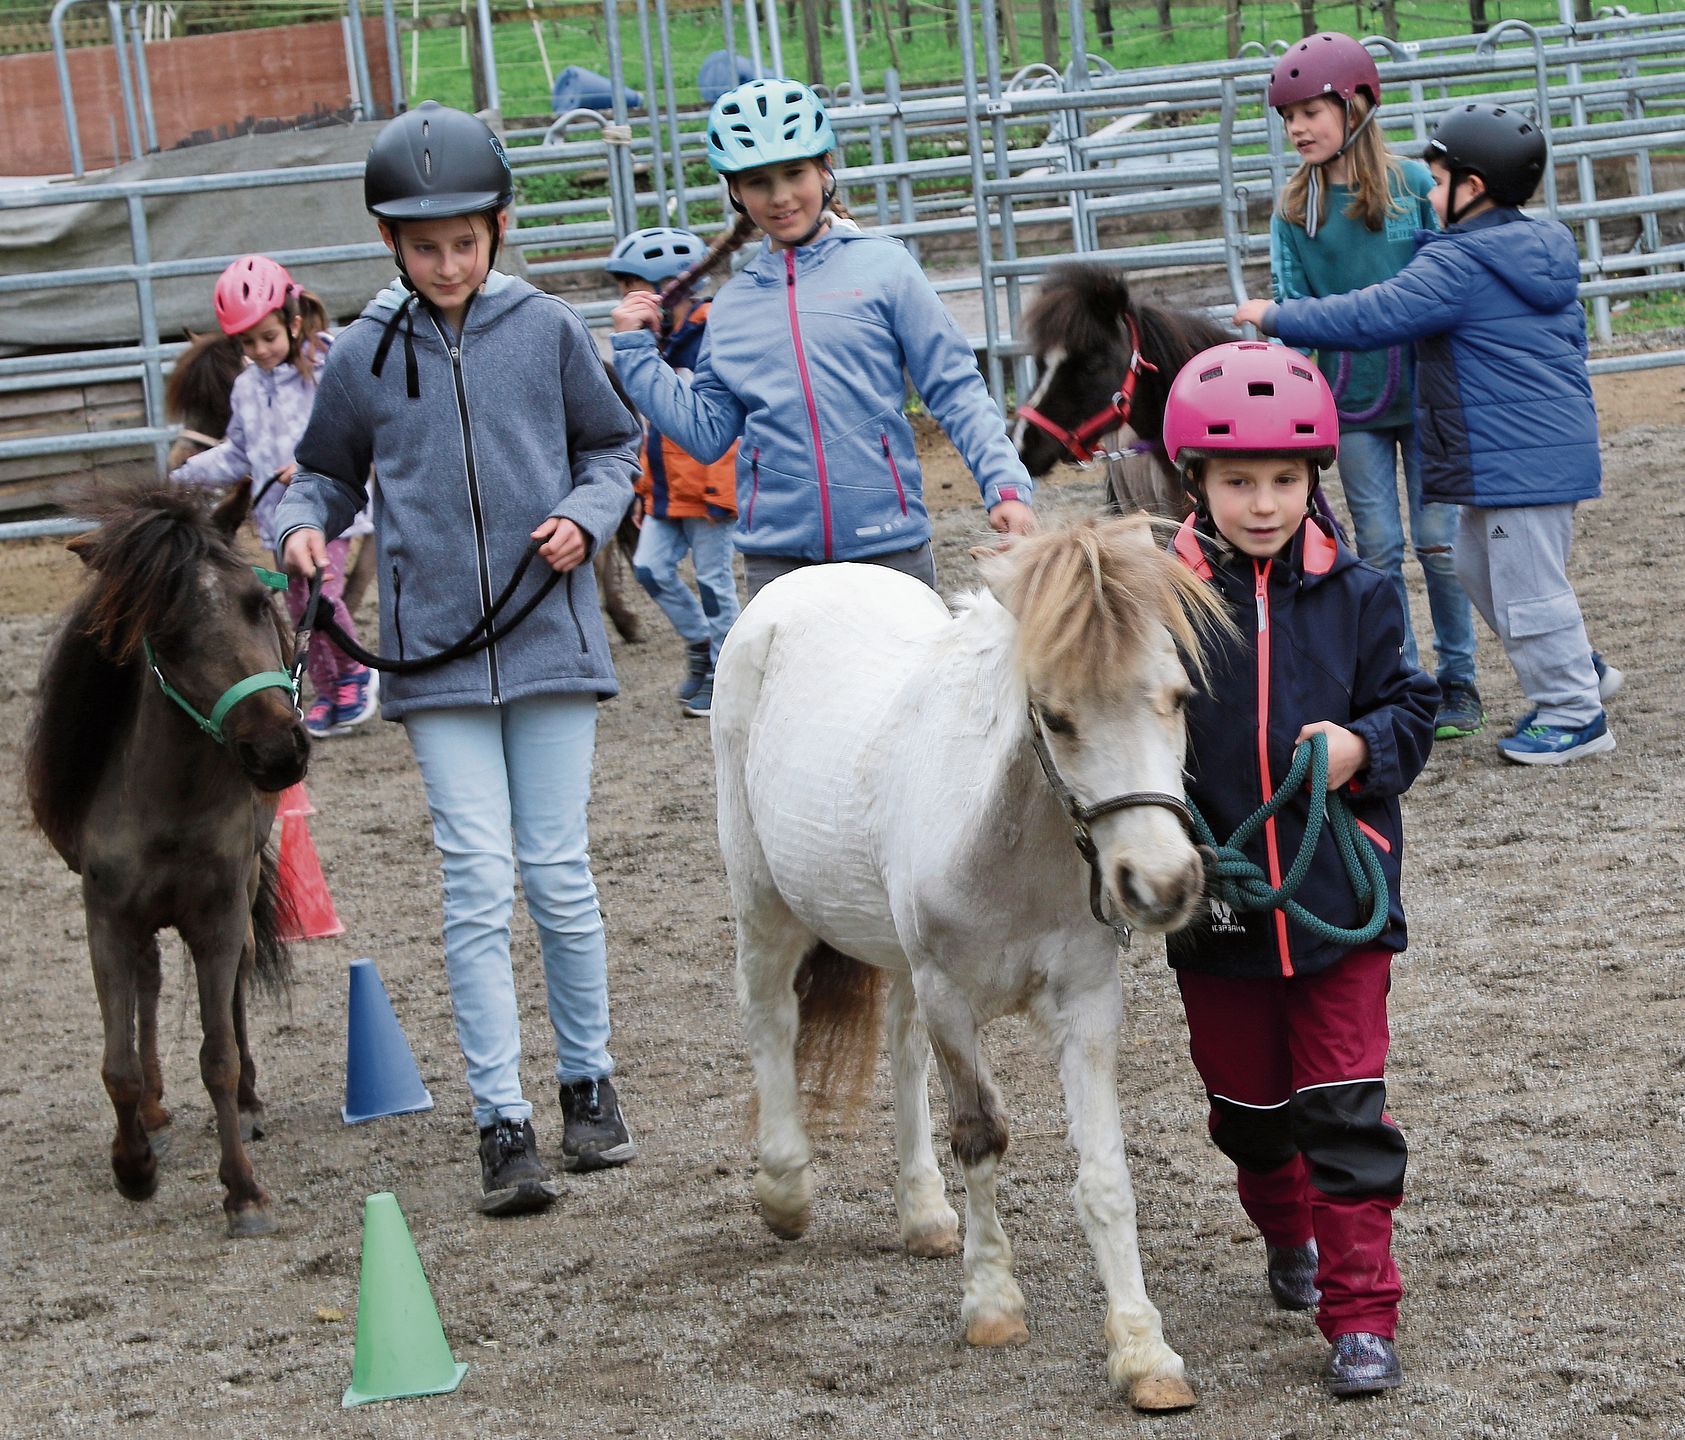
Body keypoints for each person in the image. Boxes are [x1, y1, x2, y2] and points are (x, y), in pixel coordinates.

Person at [274, 102, 643, 1215]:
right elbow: (320, 475)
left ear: (497, 230)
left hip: (547, 637)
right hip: (432, 657)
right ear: (391, 243)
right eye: (424, 246)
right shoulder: (363, 355)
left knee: (559, 877)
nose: (446, 263)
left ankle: (588, 1083)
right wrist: (299, 526)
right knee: (475, 885)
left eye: (465, 242)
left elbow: (615, 443)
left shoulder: (545, 329)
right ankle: (502, 1120)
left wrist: (587, 512)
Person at [1160, 342, 1437, 1397]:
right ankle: (1286, 1238)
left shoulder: (1361, 592)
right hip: (1217, 905)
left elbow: (1409, 704)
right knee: (1247, 1113)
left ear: (1315, 477)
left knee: (1343, 1111)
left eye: (1283, 480)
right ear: (1196, 481)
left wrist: (1362, 748)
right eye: (1237, 482)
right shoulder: (1162, 596)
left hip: (1336, 899)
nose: (1262, 504)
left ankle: (1359, 1314)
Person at [1236, 103, 1620, 765]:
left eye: (1438, 181)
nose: (1428, 192)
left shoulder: (1462, 264)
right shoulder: (1525, 247)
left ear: (1472, 188)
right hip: (1525, 451)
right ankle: (1578, 669)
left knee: (1528, 589)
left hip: (1516, 460)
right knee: (1477, 565)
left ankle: (1573, 713)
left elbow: (1373, 313)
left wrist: (1278, 315)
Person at [610, 78, 1036, 599]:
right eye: (759, 181)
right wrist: (635, 353)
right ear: (736, 192)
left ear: (824, 169)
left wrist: (1005, 485)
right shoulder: (733, 306)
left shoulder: (887, 268)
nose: (782, 195)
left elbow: (955, 388)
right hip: (777, 564)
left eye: (795, 173)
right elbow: (706, 433)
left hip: (889, 547)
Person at [1264, 34, 1482, 742]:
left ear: (1353, 105)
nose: (1297, 128)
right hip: (1349, 403)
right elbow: (1290, 305)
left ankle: (1459, 678)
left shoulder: (1417, 188)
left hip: (1425, 394)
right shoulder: (1293, 211)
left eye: (1309, 112)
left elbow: (1453, 273)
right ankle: (1404, 683)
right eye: (1287, 116)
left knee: (1437, 540)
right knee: (1379, 545)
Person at [170, 255, 376, 739]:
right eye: (247, 342)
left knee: (318, 597)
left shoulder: (325, 370)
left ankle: (357, 674)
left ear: (293, 321)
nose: (259, 350)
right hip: (278, 520)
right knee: (297, 604)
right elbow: (237, 453)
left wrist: (311, 465)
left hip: (330, 507)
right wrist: (181, 478)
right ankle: (328, 689)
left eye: (268, 337)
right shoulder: (245, 388)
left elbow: (354, 432)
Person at [604, 226, 741, 717]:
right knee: (649, 567)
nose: (624, 302)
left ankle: (728, 675)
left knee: (713, 581)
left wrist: (714, 486)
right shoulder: (650, 342)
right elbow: (652, 428)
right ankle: (701, 644)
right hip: (664, 490)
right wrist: (644, 491)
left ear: (668, 288)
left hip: (708, 490)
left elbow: (724, 424)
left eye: (632, 289)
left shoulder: (713, 335)